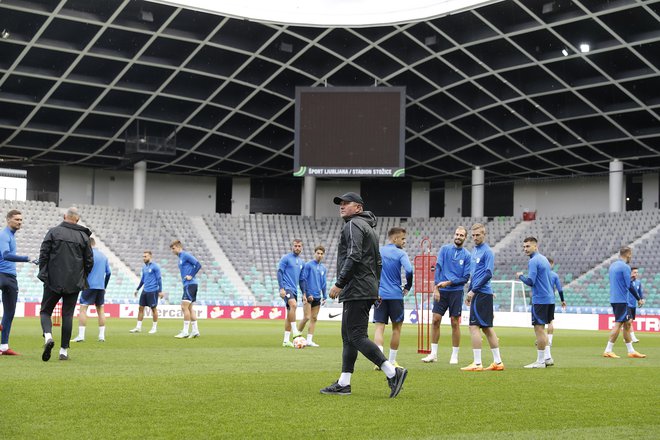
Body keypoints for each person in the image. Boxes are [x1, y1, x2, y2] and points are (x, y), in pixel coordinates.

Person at [320, 192, 407, 398]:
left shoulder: (353, 225)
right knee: (349, 337)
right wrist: (374, 288)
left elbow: (354, 255)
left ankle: (393, 372)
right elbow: (377, 262)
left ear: (358, 207)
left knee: (356, 336)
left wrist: (339, 283)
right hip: (365, 287)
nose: (341, 206)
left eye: (346, 203)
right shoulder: (368, 227)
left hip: (355, 288)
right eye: (340, 203)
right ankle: (344, 383)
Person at [38, 207, 94, 361]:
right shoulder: (84, 236)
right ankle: (63, 351)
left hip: (53, 280)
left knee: (45, 312)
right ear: (77, 219)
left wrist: (44, 273)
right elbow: (89, 261)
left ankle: (48, 337)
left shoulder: (53, 232)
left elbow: (43, 254)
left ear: (65, 216)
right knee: (67, 315)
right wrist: (82, 276)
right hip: (73, 282)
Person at [422, 226, 471, 365]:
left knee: (454, 322)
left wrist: (449, 282)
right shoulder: (445, 249)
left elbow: (465, 278)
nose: (458, 237)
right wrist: (436, 287)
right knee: (435, 320)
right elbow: (438, 268)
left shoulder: (467, 255)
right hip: (441, 291)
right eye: (457, 234)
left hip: (456, 291)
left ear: (465, 238)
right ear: (454, 235)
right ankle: (433, 354)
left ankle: (454, 355)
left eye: (461, 235)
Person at [461, 223, 504, 372]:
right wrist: (470, 290)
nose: (475, 237)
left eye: (477, 235)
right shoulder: (474, 251)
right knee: (487, 328)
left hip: (481, 294)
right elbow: (475, 275)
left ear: (484, 234)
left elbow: (488, 273)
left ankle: (477, 363)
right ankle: (498, 362)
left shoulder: (487, 252)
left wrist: (474, 291)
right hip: (478, 293)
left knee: (474, 327)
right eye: (473, 235)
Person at [373, 227, 413, 369]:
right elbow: (409, 270)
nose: (405, 242)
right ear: (395, 238)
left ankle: (379, 362)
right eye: (402, 238)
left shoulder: (379, 251)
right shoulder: (401, 253)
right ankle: (391, 361)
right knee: (396, 328)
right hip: (396, 295)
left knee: (379, 328)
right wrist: (408, 285)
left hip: (380, 295)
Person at [0, 209, 38, 356]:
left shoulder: (11, 236)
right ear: (9, 220)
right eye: (17, 219)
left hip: (11, 277)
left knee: (9, 313)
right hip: (1, 274)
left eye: (21, 220)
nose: (20, 222)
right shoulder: (4, 235)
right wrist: (27, 258)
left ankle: (3, 347)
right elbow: (6, 255)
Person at [516, 237, 554, 368]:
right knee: (542, 330)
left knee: (539, 329)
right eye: (524, 247)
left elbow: (530, 282)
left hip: (540, 299)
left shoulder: (533, 261)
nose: (525, 249)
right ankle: (548, 357)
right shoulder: (544, 259)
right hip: (549, 299)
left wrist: (520, 276)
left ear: (535, 246)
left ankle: (540, 361)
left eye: (528, 246)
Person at [603, 247, 645, 359]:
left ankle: (631, 351)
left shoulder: (613, 265)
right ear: (628, 254)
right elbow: (629, 285)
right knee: (619, 323)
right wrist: (638, 298)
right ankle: (608, 350)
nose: (631, 257)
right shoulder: (625, 267)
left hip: (614, 298)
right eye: (631, 255)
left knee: (627, 323)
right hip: (621, 300)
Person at [73, 237, 111, 342]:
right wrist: (104, 286)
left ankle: (81, 336)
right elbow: (108, 273)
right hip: (100, 287)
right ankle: (102, 336)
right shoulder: (104, 256)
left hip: (89, 286)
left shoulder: (87, 255)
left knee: (83, 309)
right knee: (101, 310)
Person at [170, 240, 202, 339]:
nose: (172, 251)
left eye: (173, 248)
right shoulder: (180, 257)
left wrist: (191, 276)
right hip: (189, 285)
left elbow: (198, 264)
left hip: (190, 284)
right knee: (189, 308)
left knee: (184, 307)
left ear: (178, 247)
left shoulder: (185, 255)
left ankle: (185, 331)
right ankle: (195, 331)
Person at [297, 245, 327, 347]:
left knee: (314, 318)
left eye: (321, 254)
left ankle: (309, 340)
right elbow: (303, 279)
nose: (319, 255)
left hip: (318, 296)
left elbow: (323, 283)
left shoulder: (323, 268)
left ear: (323, 255)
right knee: (306, 317)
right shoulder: (308, 265)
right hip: (308, 296)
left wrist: (325, 296)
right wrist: (307, 294)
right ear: (315, 254)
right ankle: (296, 338)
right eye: (318, 253)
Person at [130, 250, 163, 334]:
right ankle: (138, 327)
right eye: (143, 256)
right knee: (141, 308)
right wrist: (137, 289)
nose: (143, 258)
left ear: (150, 257)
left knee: (153, 309)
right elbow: (143, 280)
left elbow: (159, 279)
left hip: (153, 291)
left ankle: (154, 328)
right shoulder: (144, 267)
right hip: (145, 290)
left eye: (145, 256)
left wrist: (160, 291)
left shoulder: (155, 266)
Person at [278, 239, 304, 347]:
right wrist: (281, 288)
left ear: (301, 248)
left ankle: (285, 341)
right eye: (295, 246)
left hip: (294, 289)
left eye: (299, 246)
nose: (297, 248)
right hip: (286, 287)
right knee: (293, 305)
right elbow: (279, 272)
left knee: (289, 313)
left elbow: (302, 280)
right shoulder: (286, 258)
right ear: (292, 247)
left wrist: (304, 294)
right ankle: (295, 331)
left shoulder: (302, 262)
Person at [545, 258, 566, 362]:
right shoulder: (554, 275)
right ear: (552, 264)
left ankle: (542, 340)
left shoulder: (542, 274)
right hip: (551, 301)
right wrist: (562, 300)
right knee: (550, 322)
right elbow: (560, 289)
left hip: (540, 301)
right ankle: (549, 341)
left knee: (539, 324)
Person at [628, 267, 645, 344]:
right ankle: (633, 337)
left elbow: (640, 292)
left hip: (633, 304)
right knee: (630, 321)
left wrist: (641, 299)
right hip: (627, 303)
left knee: (628, 322)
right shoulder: (628, 281)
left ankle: (626, 337)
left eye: (637, 272)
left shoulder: (638, 282)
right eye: (634, 272)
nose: (636, 274)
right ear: (631, 273)